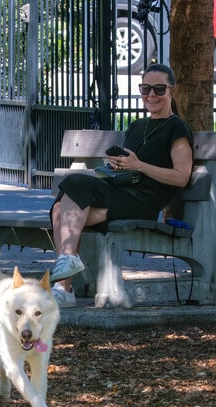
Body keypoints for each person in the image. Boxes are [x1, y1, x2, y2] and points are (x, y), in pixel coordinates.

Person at [49, 63, 193, 308]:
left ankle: (64, 284)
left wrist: (139, 165)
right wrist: (118, 165)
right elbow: (130, 166)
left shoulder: (176, 127)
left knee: (72, 188)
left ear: (172, 91)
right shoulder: (137, 126)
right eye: (145, 88)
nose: (151, 95)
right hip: (121, 193)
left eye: (159, 89)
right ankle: (64, 285)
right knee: (60, 209)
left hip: (145, 201)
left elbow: (181, 177)